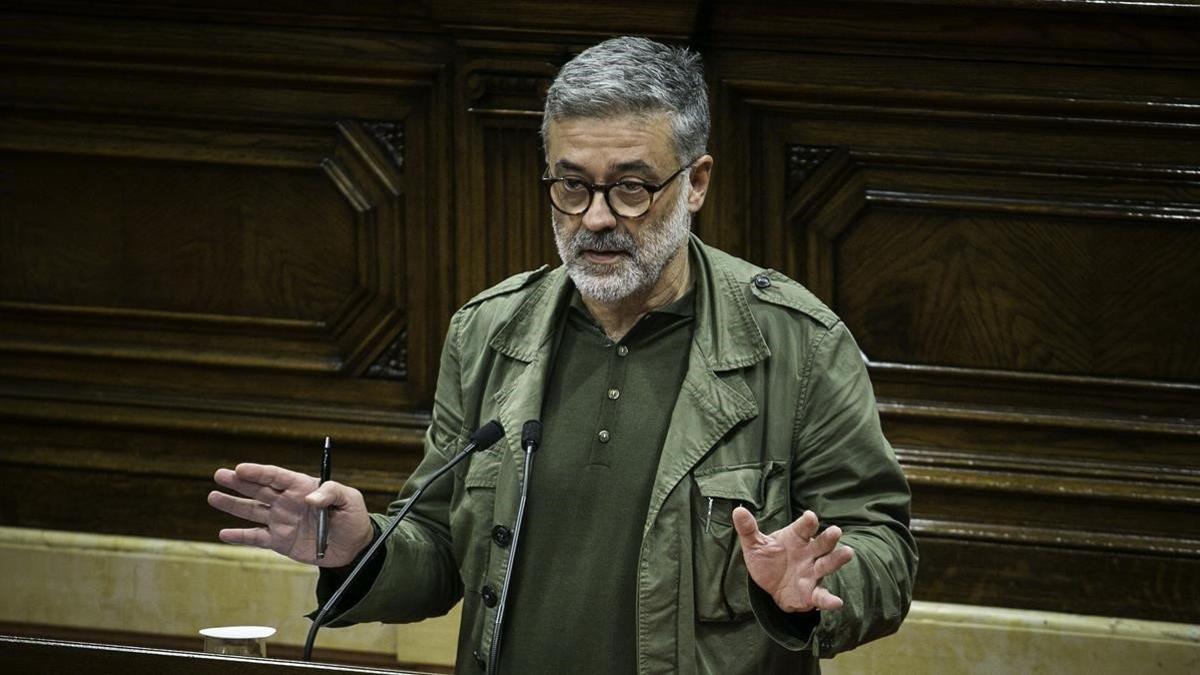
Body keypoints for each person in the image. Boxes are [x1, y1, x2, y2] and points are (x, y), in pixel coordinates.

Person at [209, 36, 916, 674]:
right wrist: (360, 546)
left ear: (695, 182)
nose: (597, 217)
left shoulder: (797, 342)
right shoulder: (489, 331)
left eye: (632, 187)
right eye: (572, 185)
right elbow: (441, 546)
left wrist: (807, 592)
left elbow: (882, 550)